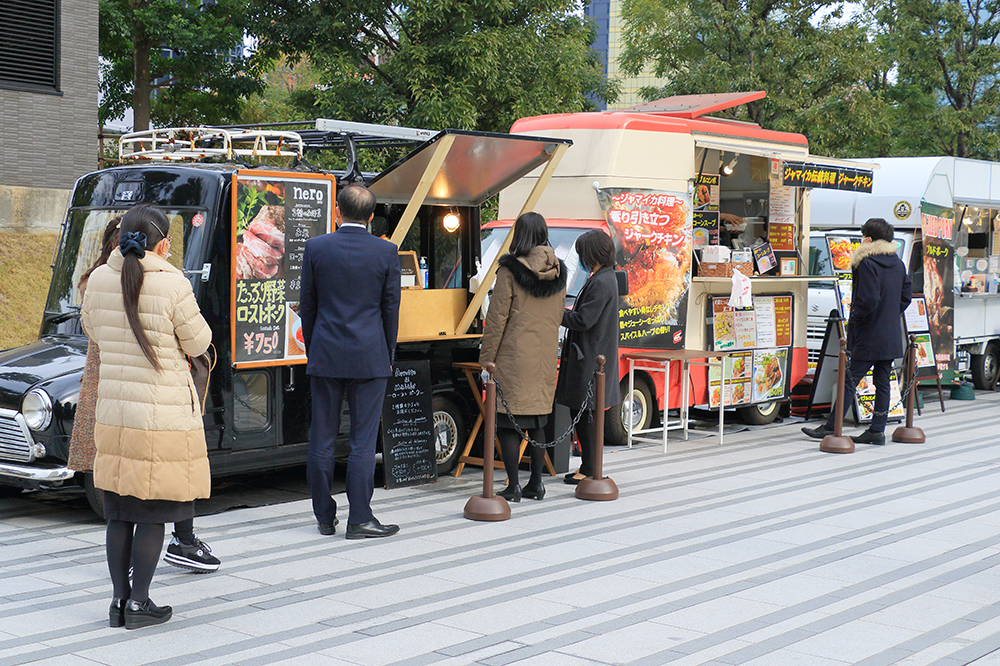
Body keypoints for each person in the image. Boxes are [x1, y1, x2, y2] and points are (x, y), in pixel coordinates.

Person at [81, 205, 213, 629]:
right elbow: (198, 342)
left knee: (119, 512)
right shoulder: (173, 283)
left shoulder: (100, 277)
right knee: (152, 513)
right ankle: (141, 604)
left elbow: (92, 331)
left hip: (115, 415)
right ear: (162, 243)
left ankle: (118, 603)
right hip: (160, 418)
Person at [300, 184, 401, 539]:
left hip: (325, 352)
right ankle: (360, 517)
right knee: (362, 440)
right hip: (370, 355)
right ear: (372, 216)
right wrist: (387, 353)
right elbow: (391, 310)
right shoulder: (386, 252)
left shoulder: (316, 248)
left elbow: (307, 306)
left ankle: (324, 517)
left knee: (322, 439)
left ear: (337, 212)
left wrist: (314, 348)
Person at [479, 212, 567, 502]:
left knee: (507, 421)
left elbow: (496, 319)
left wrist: (485, 360)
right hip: (543, 357)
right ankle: (536, 484)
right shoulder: (559, 271)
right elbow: (556, 316)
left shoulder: (510, 271)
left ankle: (513, 485)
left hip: (513, 357)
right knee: (538, 422)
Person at [802, 217, 912, 445]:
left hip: (868, 333)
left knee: (850, 379)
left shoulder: (866, 262)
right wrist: (889, 313)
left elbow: (868, 299)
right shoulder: (898, 263)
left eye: (863, 236)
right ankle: (877, 430)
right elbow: (906, 297)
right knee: (882, 381)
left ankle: (832, 427)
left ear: (869, 239)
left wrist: (857, 318)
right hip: (889, 332)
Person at [556, 230, 621, 484]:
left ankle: (590, 468)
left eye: (583, 253)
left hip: (591, 359)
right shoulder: (604, 277)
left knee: (584, 416)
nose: (581, 258)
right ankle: (588, 465)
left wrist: (557, 312)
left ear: (592, 254)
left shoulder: (601, 281)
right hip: (593, 355)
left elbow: (583, 320)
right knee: (582, 415)